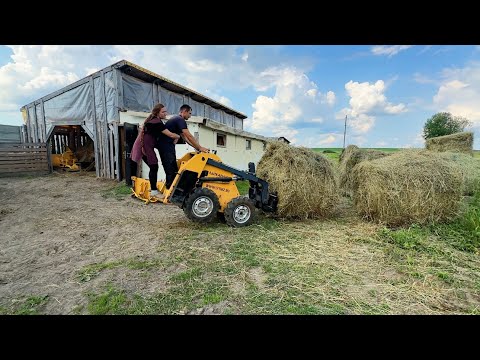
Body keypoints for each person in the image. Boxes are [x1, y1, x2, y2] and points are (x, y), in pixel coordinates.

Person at [131, 103, 180, 199]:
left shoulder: (153, 121)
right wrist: (178, 136)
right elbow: (170, 134)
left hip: (145, 145)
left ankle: (153, 189)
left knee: (153, 167)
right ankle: (153, 191)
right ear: (158, 113)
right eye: (163, 112)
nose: (165, 113)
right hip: (145, 146)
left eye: (165, 111)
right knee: (154, 166)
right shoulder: (157, 123)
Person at [157, 104, 210, 189]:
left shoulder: (176, 120)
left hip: (167, 146)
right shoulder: (180, 120)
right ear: (184, 112)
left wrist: (197, 148)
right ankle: (169, 192)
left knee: (172, 168)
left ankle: (170, 189)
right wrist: (200, 148)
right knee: (170, 168)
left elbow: (185, 138)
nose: (190, 115)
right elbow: (188, 135)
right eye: (189, 113)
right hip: (166, 146)